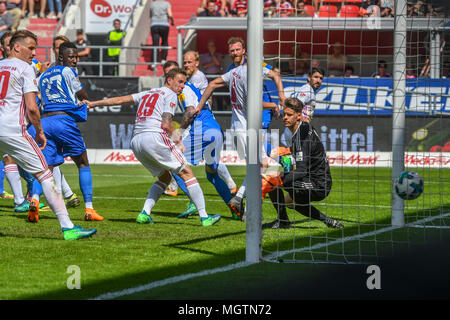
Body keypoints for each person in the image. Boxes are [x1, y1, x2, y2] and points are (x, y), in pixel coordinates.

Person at [84, 68, 221, 227]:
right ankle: (204, 217)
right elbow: (166, 124)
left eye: (184, 82)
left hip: (136, 141)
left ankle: (145, 213)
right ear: (169, 80)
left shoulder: (147, 93)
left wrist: (93, 103)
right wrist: (178, 140)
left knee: (165, 177)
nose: (183, 86)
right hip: (154, 137)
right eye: (180, 82)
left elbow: (120, 99)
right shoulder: (170, 94)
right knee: (186, 172)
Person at [0, 30, 96, 239]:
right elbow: (33, 108)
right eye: (31, 48)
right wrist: (39, 132)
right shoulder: (25, 68)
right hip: (13, 130)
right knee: (45, 173)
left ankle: (28, 201)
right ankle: (68, 227)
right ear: (17, 47)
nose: (34, 53)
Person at [194, 53, 285, 217]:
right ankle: (244, 201)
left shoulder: (235, 72)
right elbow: (254, 104)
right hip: (247, 130)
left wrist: (200, 105)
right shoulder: (251, 75)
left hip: (237, 128)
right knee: (263, 167)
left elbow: (213, 83)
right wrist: (273, 104)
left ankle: (246, 204)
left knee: (261, 167)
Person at [27, 41, 103, 222]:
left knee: (46, 168)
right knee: (83, 162)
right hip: (63, 119)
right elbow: (82, 94)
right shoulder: (68, 71)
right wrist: (84, 101)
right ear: (61, 57)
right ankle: (89, 209)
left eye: (76, 56)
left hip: (46, 121)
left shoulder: (43, 76)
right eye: (71, 56)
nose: (75, 60)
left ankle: (35, 201)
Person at [163, 60, 241, 220]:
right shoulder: (192, 88)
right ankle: (235, 207)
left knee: (173, 163)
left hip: (201, 130)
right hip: (215, 130)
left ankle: (194, 202)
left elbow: (191, 112)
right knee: (212, 175)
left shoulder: (183, 90)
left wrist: (179, 132)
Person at [261, 97, 343, 229]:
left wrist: (279, 177)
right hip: (309, 178)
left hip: (319, 184)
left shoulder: (302, 135)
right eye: (284, 114)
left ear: (298, 115)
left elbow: (301, 170)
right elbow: (302, 156)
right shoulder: (302, 128)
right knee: (290, 201)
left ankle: (283, 221)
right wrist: (285, 153)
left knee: (272, 179)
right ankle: (327, 221)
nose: (285, 118)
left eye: (289, 115)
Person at [150, 0, 174, 64]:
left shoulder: (152, 4)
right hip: (164, 24)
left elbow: (150, 15)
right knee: (164, 41)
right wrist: (172, 22)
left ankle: (154, 61)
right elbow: (170, 15)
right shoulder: (166, 3)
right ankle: (163, 59)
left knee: (155, 43)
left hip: (154, 24)